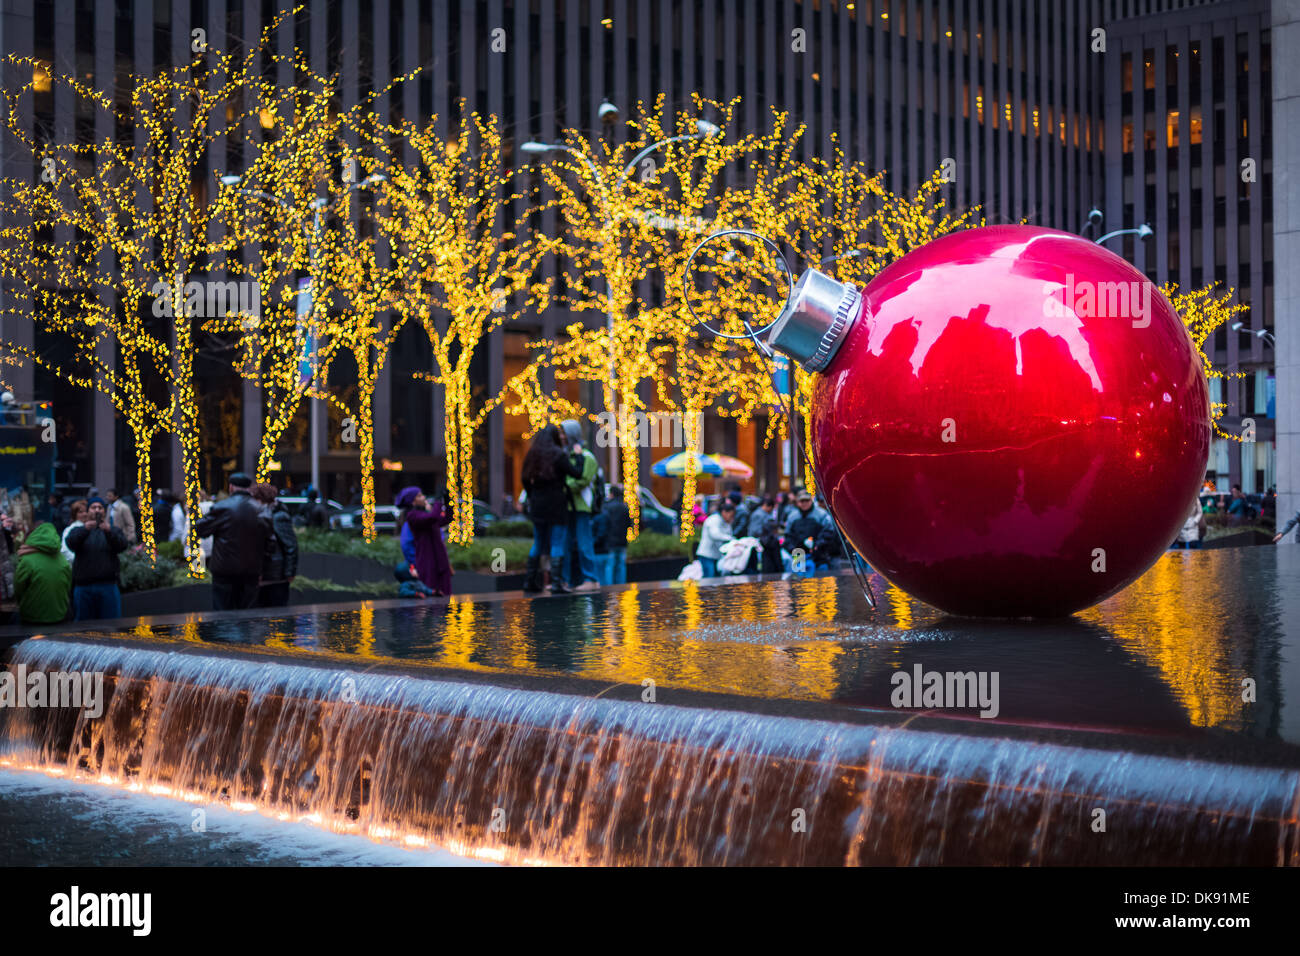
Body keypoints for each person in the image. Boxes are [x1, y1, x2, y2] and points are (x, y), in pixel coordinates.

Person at [520, 424, 585, 594]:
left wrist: (532, 494)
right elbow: (577, 473)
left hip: (538, 503)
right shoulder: (559, 454)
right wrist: (579, 456)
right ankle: (556, 583)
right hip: (557, 502)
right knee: (557, 542)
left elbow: (524, 479)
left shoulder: (532, 454)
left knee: (538, 542)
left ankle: (529, 581)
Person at [194, 473, 272, 611]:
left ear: (231, 487)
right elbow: (270, 543)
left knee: (222, 614)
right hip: (251, 571)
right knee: (247, 614)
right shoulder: (261, 510)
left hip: (224, 570)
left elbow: (200, 529)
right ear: (249, 488)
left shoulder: (222, 507)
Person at [65, 498, 127, 621]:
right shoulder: (78, 530)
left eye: (100, 507)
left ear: (105, 511)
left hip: (108, 587)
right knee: (83, 628)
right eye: (93, 507)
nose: (97, 510)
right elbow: (71, 543)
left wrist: (108, 532)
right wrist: (85, 529)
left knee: (111, 626)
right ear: (88, 511)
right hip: (83, 588)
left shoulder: (113, 530)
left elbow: (122, 545)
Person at [561, 419, 601, 592]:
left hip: (582, 507)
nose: (561, 437)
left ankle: (591, 579)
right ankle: (565, 580)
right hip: (567, 507)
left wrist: (566, 483)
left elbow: (582, 480)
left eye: (564, 433)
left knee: (584, 543)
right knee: (565, 544)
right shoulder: (565, 456)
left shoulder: (587, 458)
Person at [396, 486, 454, 597]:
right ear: (413, 502)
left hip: (440, 562)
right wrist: (438, 500)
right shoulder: (413, 516)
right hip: (427, 564)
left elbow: (447, 519)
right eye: (420, 496)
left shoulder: (425, 515)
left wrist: (447, 501)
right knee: (431, 599)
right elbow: (433, 517)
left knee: (446, 597)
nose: (424, 497)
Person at [13, 521, 72, 625]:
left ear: (32, 535)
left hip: (32, 618)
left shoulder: (27, 559)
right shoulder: (62, 560)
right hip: (59, 616)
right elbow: (68, 585)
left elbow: (18, 588)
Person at [251, 483, 297, 607]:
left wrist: (289, 573)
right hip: (270, 574)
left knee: (275, 613)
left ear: (260, 499)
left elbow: (290, 546)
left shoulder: (277, 517)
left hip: (275, 575)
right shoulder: (265, 514)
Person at [785, 490, 824, 575]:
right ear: (798, 502)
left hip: (818, 556)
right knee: (799, 582)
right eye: (802, 501)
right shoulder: (792, 516)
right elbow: (788, 536)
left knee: (819, 583)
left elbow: (828, 533)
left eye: (807, 500)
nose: (804, 503)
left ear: (811, 500)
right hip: (798, 554)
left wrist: (818, 545)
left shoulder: (821, 514)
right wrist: (792, 549)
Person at [696, 499, 736, 578]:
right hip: (707, 555)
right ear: (724, 512)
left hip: (716, 555)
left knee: (715, 579)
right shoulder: (714, 519)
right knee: (709, 578)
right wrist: (731, 538)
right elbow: (715, 535)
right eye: (731, 515)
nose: (731, 518)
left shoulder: (725, 522)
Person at [603, 485, 632, 586]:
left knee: (610, 565)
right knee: (621, 565)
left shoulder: (607, 507)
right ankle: (621, 585)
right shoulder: (624, 507)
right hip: (622, 540)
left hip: (611, 540)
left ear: (611, 494)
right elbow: (629, 524)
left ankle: (609, 586)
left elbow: (605, 524)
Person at [59, 499, 87, 564]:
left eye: (86, 511)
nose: (84, 514)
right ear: (75, 514)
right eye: (80, 512)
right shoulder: (70, 529)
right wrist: (82, 562)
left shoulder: (92, 528)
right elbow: (64, 550)